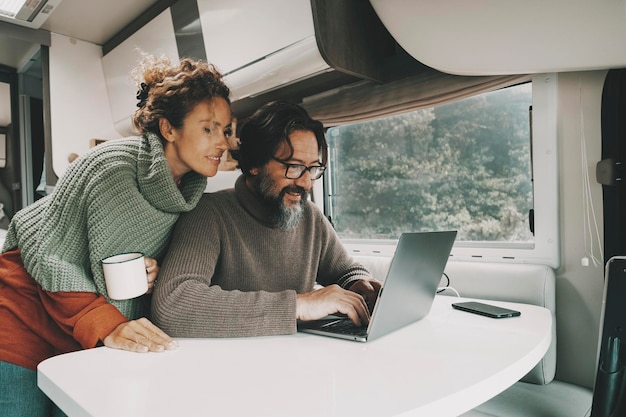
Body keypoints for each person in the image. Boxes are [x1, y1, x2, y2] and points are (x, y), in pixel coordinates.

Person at [0, 54, 232, 416]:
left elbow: (120, 252)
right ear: (169, 129)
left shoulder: (189, 192)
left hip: (80, 335)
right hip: (23, 321)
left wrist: (155, 270)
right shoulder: (111, 166)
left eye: (226, 129)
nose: (223, 142)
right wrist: (110, 326)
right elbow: (52, 256)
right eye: (208, 129)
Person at [152, 101, 381, 338]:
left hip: (297, 362)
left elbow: (344, 271)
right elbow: (173, 305)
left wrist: (358, 283)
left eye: (313, 169)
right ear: (254, 165)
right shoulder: (209, 214)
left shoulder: (310, 216)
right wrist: (298, 306)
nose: (305, 183)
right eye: (293, 167)